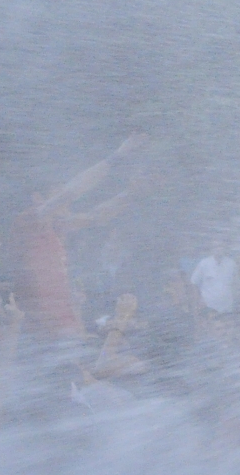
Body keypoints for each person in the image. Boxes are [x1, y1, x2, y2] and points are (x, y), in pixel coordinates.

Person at [10, 134, 148, 341]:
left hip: (65, 329)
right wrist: (117, 157)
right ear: (38, 199)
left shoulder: (57, 226)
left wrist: (131, 193)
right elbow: (70, 193)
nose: (66, 204)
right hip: (40, 332)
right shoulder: (29, 222)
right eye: (56, 196)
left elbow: (96, 217)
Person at [191, 247, 238, 315]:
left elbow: (236, 283)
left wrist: (234, 300)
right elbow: (194, 282)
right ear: (212, 248)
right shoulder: (204, 263)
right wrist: (198, 301)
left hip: (227, 305)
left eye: (220, 246)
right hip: (208, 305)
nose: (218, 249)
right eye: (216, 246)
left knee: (226, 324)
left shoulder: (231, 263)